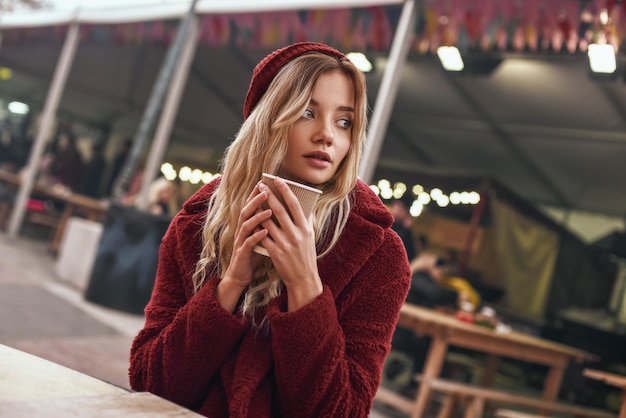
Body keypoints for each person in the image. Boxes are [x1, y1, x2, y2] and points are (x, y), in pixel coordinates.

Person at [129, 42, 411, 418]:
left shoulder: (377, 254)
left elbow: (343, 412)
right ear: (269, 119)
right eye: (308, 112)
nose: (327, 135)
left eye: (345, 121)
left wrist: (306, 288)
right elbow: (149, 383)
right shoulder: (197, 222)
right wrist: (228, 287)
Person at [390, 193, 417, 260]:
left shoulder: (406, 232)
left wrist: (406, 229)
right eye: (395, 206)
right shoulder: (388, 222)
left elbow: (410, 254)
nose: (395, 210)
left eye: (399, 208)